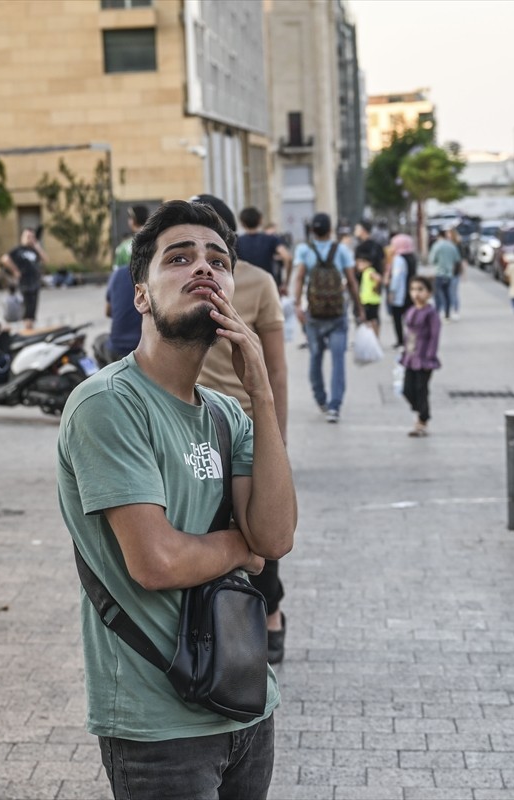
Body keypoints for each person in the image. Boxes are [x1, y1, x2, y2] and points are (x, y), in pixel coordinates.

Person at [57, 200, 296, 799]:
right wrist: (242, 551)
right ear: (140, 294)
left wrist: (260, 393)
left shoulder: (225, 414)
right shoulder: (108, 404)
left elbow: (277, 537)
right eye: (179, 257)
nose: (203, 268)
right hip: (158, 727)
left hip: (247, 703)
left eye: (218, 260)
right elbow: (156, 561)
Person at [191, 194, 291, 666]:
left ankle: (270, 611)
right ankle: (222, 619)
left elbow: (276, 367)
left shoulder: (257, 283)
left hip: (247, 422)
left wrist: (278, 437)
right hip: (196, 421)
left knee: (260, 528)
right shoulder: (186, 283)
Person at [290, 211, 363, 423]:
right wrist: (359, 308)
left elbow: (300, 278)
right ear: (331, 230)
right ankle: (334, 406)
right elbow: (351, 281)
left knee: (315, 356)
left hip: (314, 314)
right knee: (338, 359)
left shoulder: (304, 250)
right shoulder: (341, 250)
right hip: (337, 314)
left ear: (312, 230)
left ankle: (320, 399)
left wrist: (297, 305)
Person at [98, 205, 149, 364]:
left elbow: (111, 306)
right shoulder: (156, 243)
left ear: (132, 221)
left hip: (122, 341)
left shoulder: (122, 250)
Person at [400, 277, 442, 437]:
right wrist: (404, 353)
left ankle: (422, 421)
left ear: (429, 293)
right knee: (407, 389)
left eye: (420, 290)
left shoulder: (431, 313)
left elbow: (434, 335)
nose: (416, 293)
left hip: (424, 358)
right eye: (413, 289)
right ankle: (421, 413)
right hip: (410, 356)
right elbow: (408, 335)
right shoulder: (411, 311)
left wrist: (430, 355)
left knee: (421, 389)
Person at [1, 227, 47, 330]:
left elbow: (45, 260)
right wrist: (15, 270)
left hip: (35, 282)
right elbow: (5, 258)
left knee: (32, 311)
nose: (29, 239)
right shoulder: (18, 250)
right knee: (26, 310)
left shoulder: (34, 251)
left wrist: (37, 246)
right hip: (25, 283)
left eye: (32, 237)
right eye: (28, 236)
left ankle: (30, 328)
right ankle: (27, 330)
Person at [237, 207, 291, 289]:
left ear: (242, 223)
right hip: (268, 285)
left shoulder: (237, 242)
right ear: (260, 221)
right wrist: (285, 283)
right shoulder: (271, 239)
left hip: (245, 286)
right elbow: (287, 257)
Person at [382, 233, 416, 348]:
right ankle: (411, 342)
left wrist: (392, 291)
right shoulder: (412, 258)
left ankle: (401, 341)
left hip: (400, 294)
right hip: (411, 293)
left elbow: (396, 277)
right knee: (411, 320)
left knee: (397, 319)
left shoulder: (399, 259)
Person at [427, 228, 460, 320]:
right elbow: (457, 260)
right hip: (449, 274)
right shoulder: (452, 246)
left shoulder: (436, 246)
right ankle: (447, 314)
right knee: (447, 295)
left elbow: (432, 260)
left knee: (437, 295)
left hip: (439, 273)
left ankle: (437, 313)